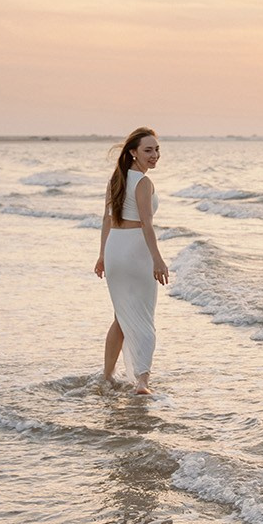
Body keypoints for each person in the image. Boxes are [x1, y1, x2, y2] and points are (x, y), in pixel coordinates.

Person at [94, 128, 169, 395]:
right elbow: (147, 224)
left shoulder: (116, 178)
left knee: (121, 316)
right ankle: (142, 381)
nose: (155, 155)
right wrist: (158, 260)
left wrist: (103, 254)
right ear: (133, 152)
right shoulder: (143, 183)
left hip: (115, 248)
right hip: (136, 250)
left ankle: (107, 376)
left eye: (157, 149)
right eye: (148, 150)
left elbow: (107, 219)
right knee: (143, 315)